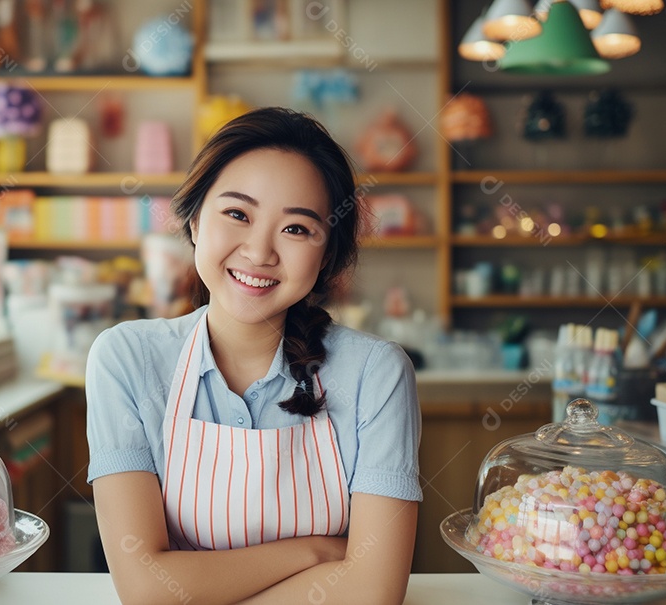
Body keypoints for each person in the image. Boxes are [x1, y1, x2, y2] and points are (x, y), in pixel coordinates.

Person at [86, 107, 421, 605]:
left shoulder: (376, 373)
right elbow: (144, 588)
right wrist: (314, 553)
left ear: (326, 255)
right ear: (195, 220)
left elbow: (373, 592)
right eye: (238, 214)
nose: (260, 252)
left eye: (297, 229)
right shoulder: (127, 359)